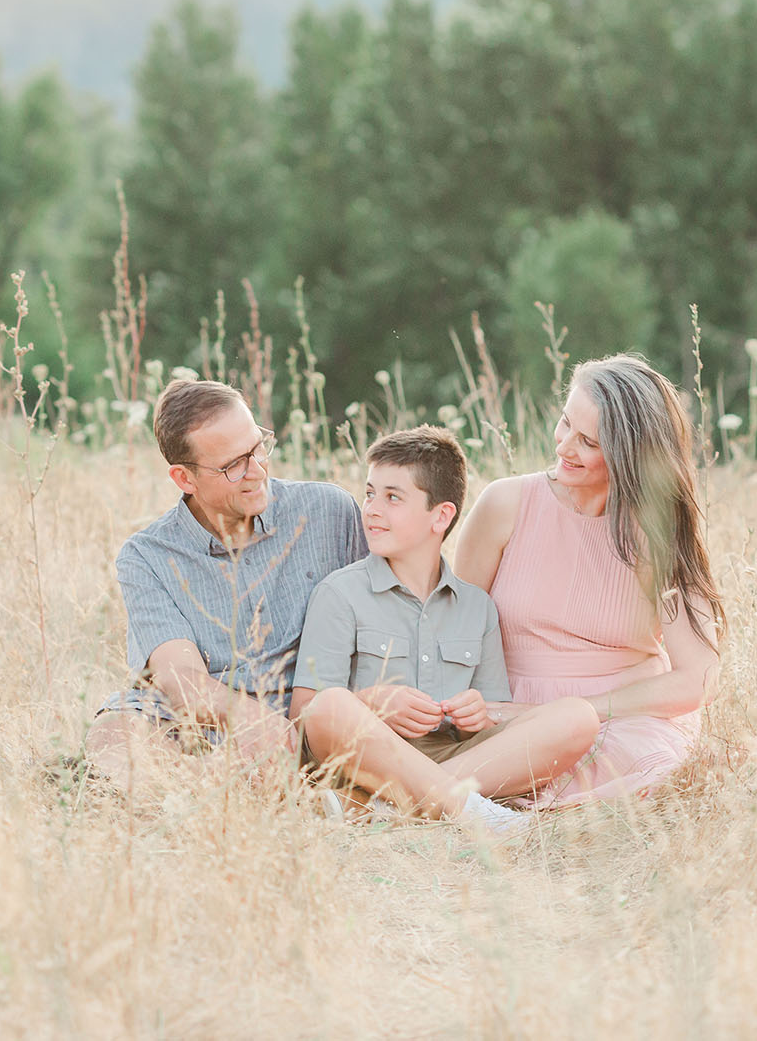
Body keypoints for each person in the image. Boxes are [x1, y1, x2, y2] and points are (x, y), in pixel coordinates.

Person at [291, 427, 600, 832]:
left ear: (441, 515)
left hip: (459, 759)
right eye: (369, 493)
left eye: (393, 497)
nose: (372, 509)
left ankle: (394, 807)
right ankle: (472, 813)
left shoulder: (477, 607)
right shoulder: (339, 593)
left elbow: (495, 714)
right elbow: (305, 718)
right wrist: (371, 702)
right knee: (331, 704)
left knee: (579, 717)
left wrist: (482, 713)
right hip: (368, 760)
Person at [453, 354, 725, 807]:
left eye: (588, 442)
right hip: (505, 710)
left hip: (624, 719)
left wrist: (580, 712)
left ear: (631, 457)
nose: (563, 447)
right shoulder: (505, 504)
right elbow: (453, 633)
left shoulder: (660, 532)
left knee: (647, 782)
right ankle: (430, 790)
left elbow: (698, 678)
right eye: (564, 424)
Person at [85, 377, 366, 780]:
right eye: (234, 465)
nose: (257, 471)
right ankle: (211, 788)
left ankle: (210, 789)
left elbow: (383, 620)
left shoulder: (328, 510)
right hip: (208, 724)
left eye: (258, 447)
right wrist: (249, 718)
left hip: (314, 715)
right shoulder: (148, 555)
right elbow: (181, 680)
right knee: (113, 733)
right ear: (184, 479)